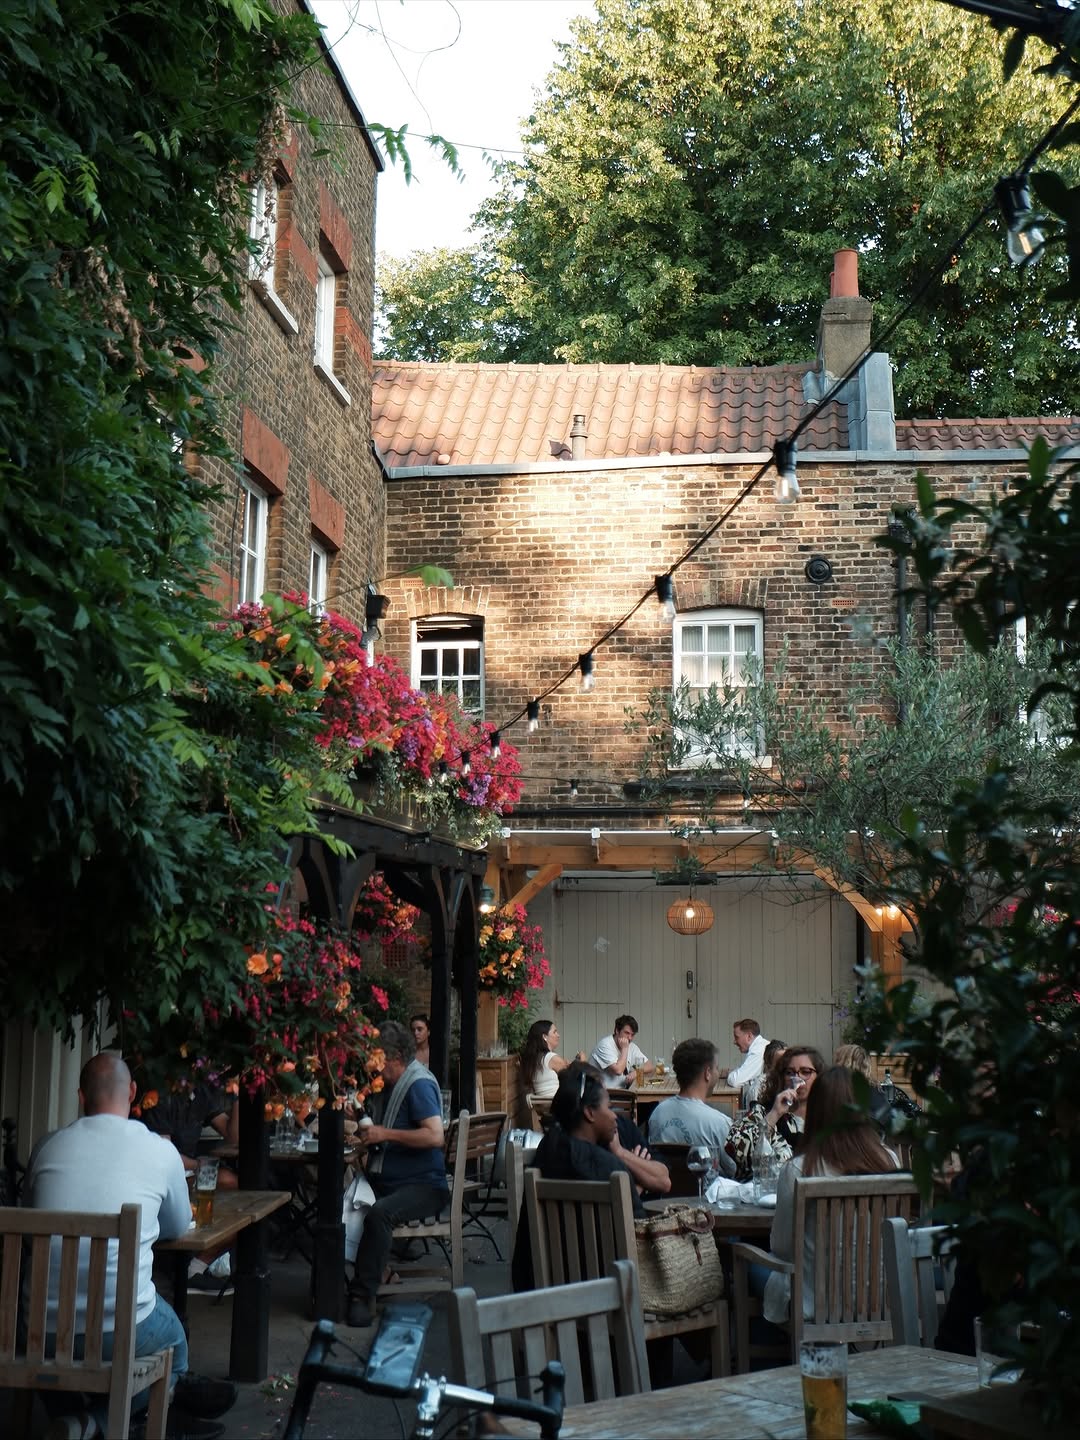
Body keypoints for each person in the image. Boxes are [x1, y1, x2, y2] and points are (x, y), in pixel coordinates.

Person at [25, 1053, 234, 1439]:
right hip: (118, 1329)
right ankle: (103, 1423)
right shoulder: (159, 1150)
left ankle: (75, 1421)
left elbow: (29, 1219)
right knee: (175, 1343)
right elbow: (176, 1227)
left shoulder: (46, 1147)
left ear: (80, 1095)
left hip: (40, 1331)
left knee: (57, 1344)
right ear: (133, 1093)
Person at [511, 1068, 670, 1292]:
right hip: (609, 1294)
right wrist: (636, 1185)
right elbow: (638, 1239)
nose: (614, 1114)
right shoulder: (609, 1167)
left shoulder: (546, 1152)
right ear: (590, 1113)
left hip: (546, 1291)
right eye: (608, 1107)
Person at [763, 1065, 899, 1325]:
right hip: (880, 1299)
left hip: (816, 1304)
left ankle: (769, 1360)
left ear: (816, 1110)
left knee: (753, 1271)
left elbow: (781, 1247)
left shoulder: (798, 1170)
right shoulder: (889, 1160)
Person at [347, 1020, 446, 1329]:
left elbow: (434, 1136)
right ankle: (374, 1274)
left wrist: (384, 1134)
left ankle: (363, 1297)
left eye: (376, 1059)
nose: (371, 1066)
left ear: (393, 1058)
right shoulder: (389, 1085)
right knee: (341, 1204)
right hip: (390, 1179)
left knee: (379, 1215)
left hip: (424, 1186)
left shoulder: (418, 1084)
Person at [725, 1044, 825, 1181]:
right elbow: (737, 1152)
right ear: (781, 1078)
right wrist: (774, 1115)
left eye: (805, 1072)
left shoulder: (827, 1117)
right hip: (766, 1196)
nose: (797, 1078)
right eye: (789, 1072)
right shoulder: (764, 1111)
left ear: (819, 1077)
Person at [646, 1038, 736, 1174]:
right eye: (716, 1068)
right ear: (707, 1073)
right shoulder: (718, 1123)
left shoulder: (657, 1113)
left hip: (664, 1192)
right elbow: (734, 1171)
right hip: (707, 1193)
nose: (717, 1073)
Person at [139, 1079, 239, 1189]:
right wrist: (201, 1165)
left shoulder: (200, 1092)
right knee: (227, 1180)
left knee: (232, 1180)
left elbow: (233, 1137)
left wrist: (237, 1095)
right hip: (161, 1175)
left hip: (188, 1171)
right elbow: (165, 1156)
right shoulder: (159, 1097)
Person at [520, 1019, 585, 1099]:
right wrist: (583, 1061)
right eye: (555, 1032)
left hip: (543, 1104)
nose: (558, 1035)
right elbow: (575, 1080)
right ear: (545, 1037)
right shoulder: (551, 1058)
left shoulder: (536, 1058)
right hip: (558, 1104)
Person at [588, 1014, 653, 1088]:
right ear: (617, 1031)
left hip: (622, 1091)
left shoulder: (631, 1046)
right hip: (602, 1093)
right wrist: (624, 1049)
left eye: (632, 1035)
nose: (630, 1038)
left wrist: (636, 1072)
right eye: (627, 1033)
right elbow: (618, 1071)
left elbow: (649, 1065)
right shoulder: (605, 1045)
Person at [717, 1018, 770, 1089]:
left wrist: (729, 1074)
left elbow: (735, 1081)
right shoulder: (758, 1046)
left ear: (749, 1036)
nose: (734, 1042)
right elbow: (741, 1070)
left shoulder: (757, 1051)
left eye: (736, 1037)